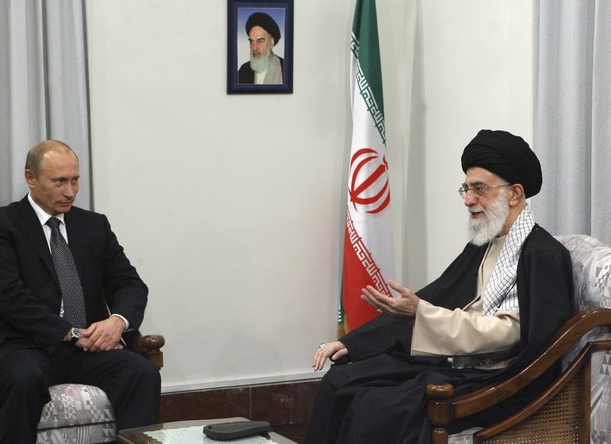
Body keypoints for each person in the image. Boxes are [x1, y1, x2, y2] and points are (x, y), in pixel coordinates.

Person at [306, 129, 574, 443]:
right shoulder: (484, 243)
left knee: (377, 408)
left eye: (479, 189)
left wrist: (421, 313)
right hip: (455, 361)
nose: (468, 199)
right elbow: (440, 297)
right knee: (342, 378)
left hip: (497, 377)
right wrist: (358, 343)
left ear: (514, 194)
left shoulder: (542, 254)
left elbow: (512, 334)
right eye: (465, 188)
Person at [0, 140, 161, 443]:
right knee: (24, 379)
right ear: (31, 178)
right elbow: (8, 296)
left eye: (75, 180)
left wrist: (118, 322)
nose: (70, 191)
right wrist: (71, 333)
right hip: (23, 345)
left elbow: (129, 283)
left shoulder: (93, 225)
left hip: (84, 348)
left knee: (141, 373)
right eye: (59, 182)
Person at [238, 12, 284, 85]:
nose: (254, 48)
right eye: (251, 41)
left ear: (271, 42)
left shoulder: (285, 67)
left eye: (260, 41)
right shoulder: (244, 70)